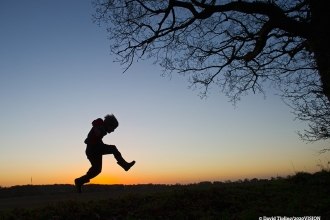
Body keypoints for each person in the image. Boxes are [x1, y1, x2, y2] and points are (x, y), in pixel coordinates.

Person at [74, 114, 135, 193]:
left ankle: (79, 181)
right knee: (113, 148)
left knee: (97, 170)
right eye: (113, 128)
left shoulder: (101, 127)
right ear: (108, 125)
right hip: (94, 150)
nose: (113, 131)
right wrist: (97, 133)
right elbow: (96, 133)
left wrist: (98, 137)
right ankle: (124, 165)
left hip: (92, 150)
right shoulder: (100, 128)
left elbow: (94, 137)